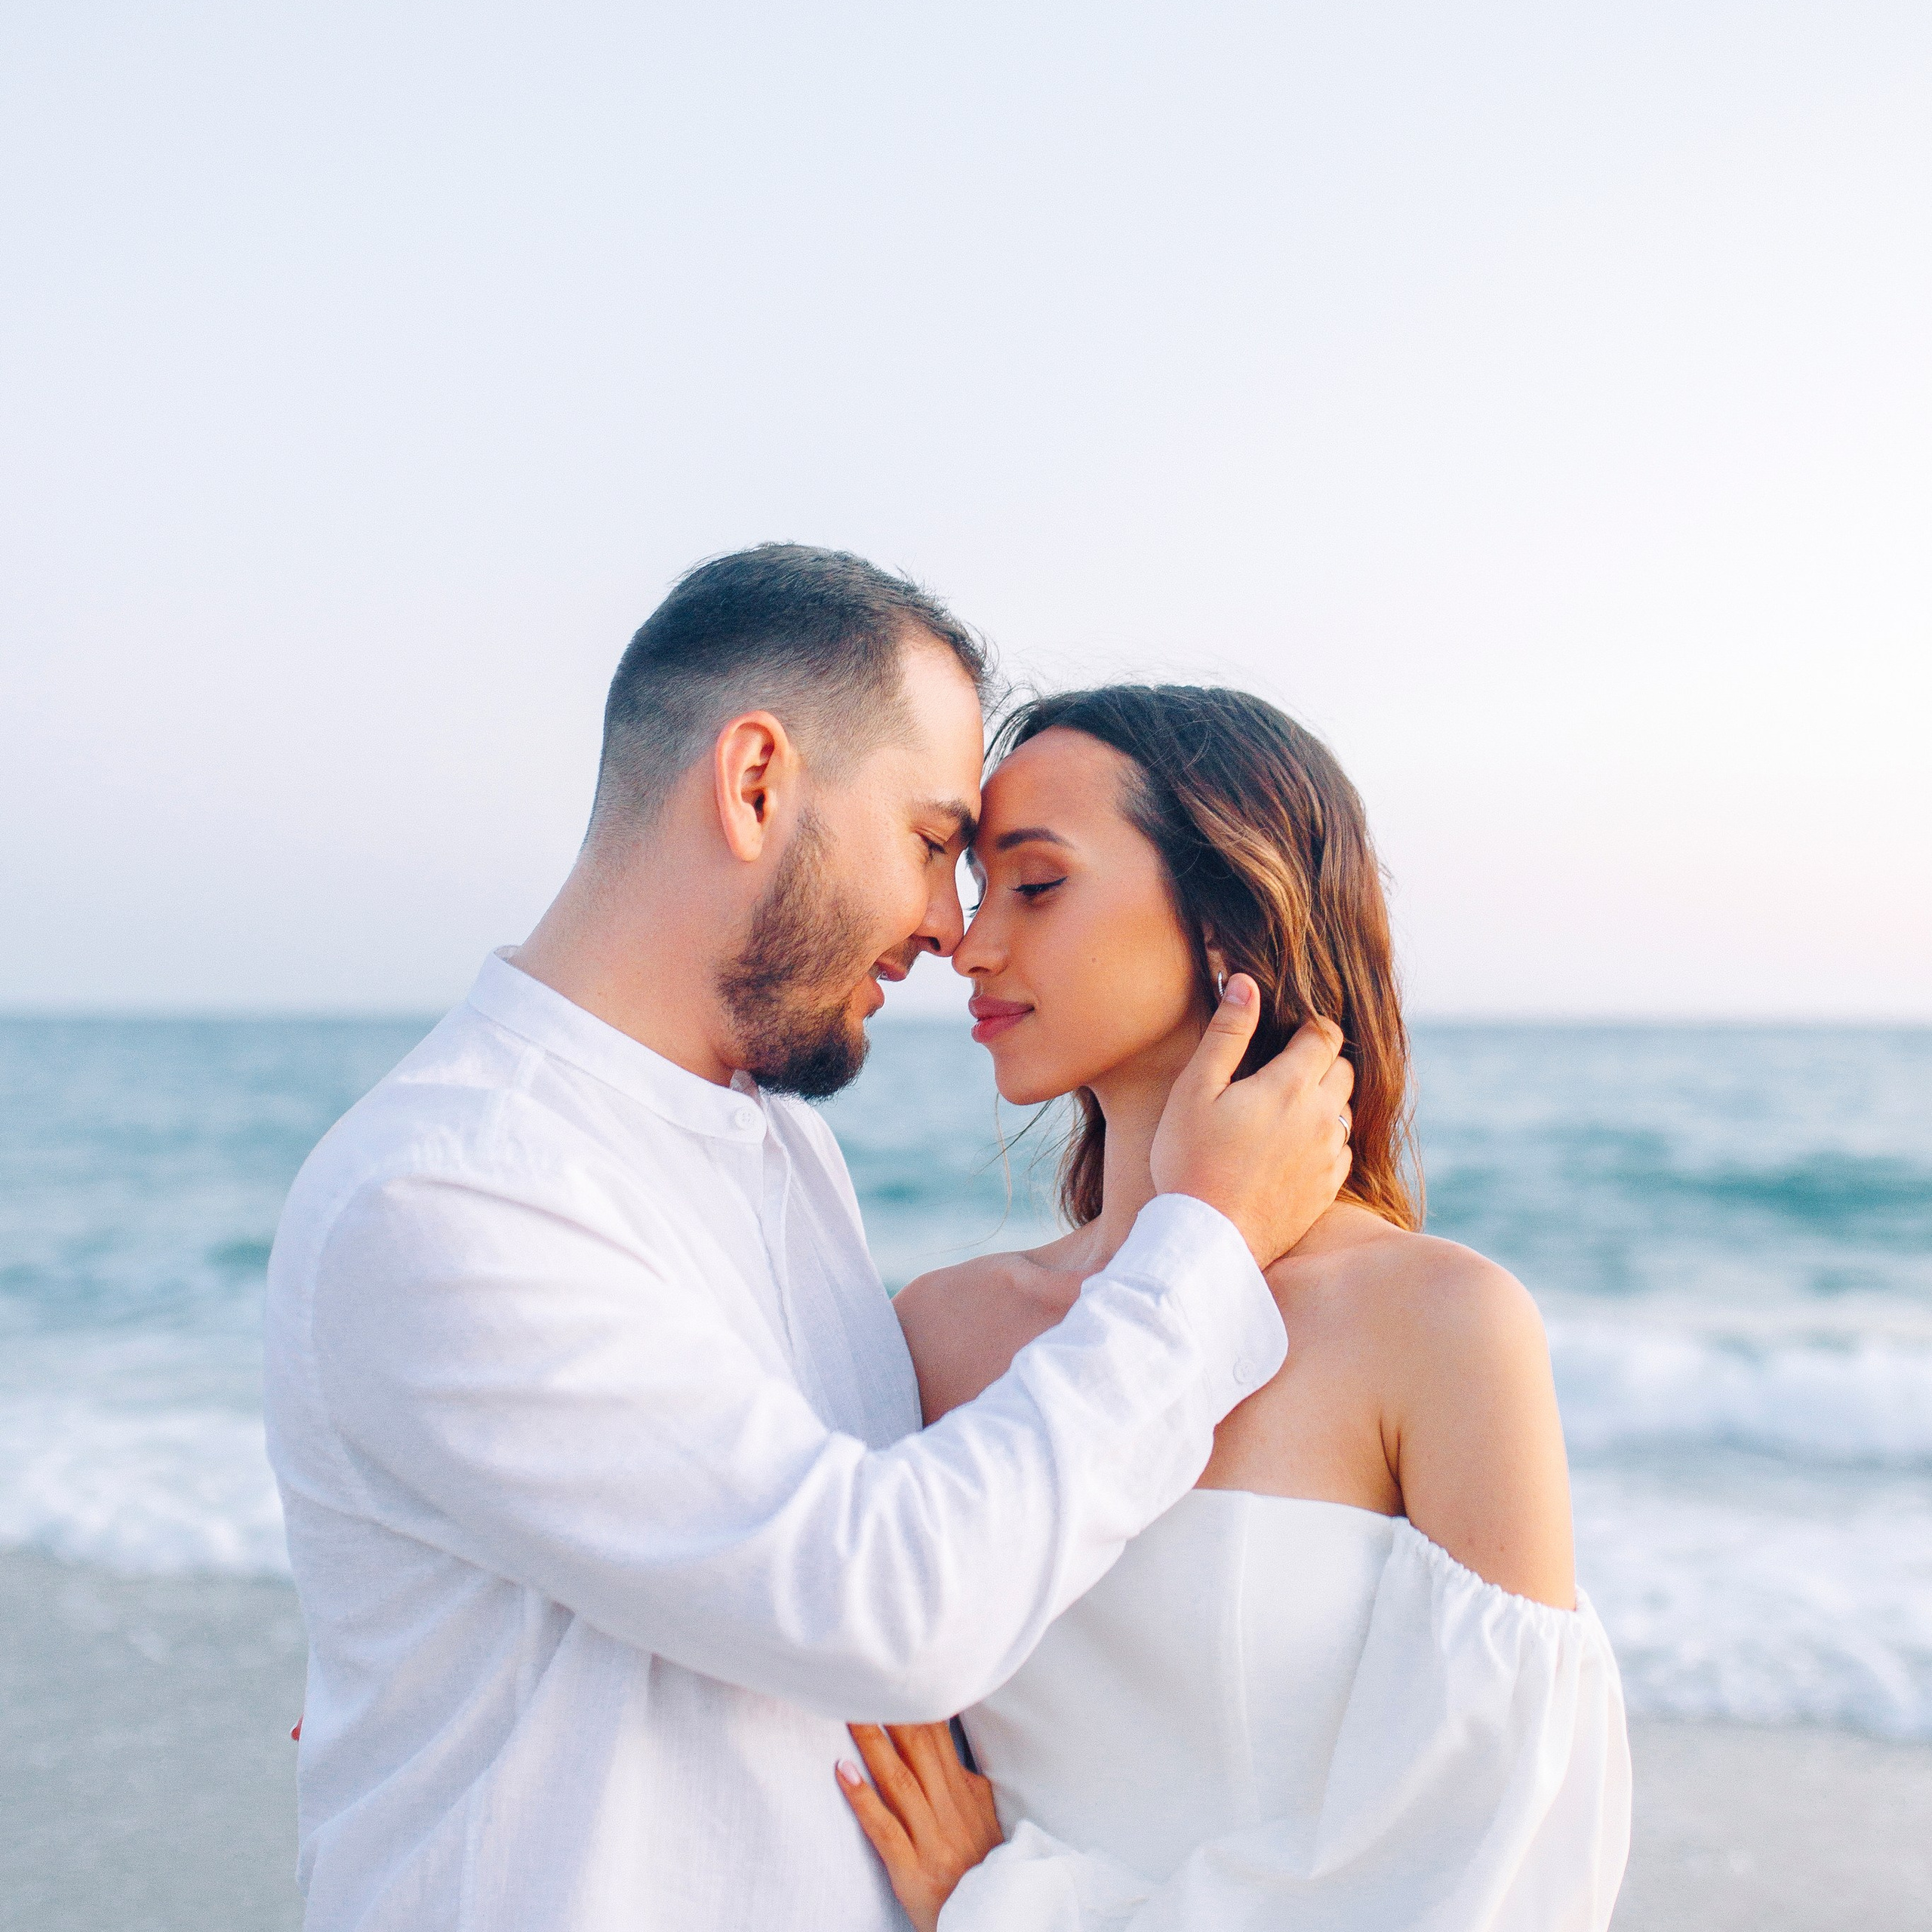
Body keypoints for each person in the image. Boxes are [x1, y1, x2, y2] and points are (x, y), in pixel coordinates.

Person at [263, 549, 1356, 1932]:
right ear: (757, 782)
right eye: (928, 844)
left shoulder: (783, 1148)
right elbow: (890, 1602)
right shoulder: (448, 1190)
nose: (949, 931)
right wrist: (1199, 1244)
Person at [838, 685, 1631, 1931]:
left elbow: (1492, 1873)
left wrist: (1008, 1905)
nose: (971, 945)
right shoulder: (936, 1330)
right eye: (978, 891)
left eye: (1036, 887)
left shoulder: (1441, 1329)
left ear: (1229, 922)